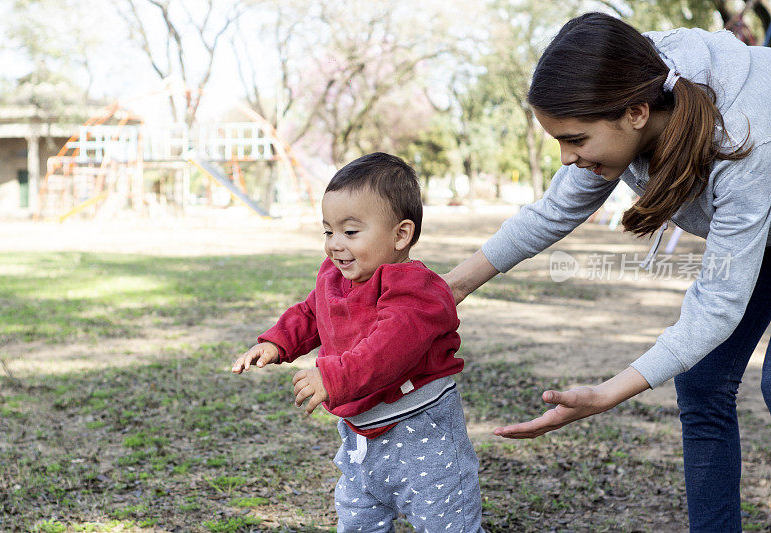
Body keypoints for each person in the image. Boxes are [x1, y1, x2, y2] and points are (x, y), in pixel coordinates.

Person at [443, 12, 771, 532]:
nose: (567, 157)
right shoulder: (637, 87)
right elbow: (551, 212)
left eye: (575, 139)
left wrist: (606, 394)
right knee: (703, 383)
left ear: (637, 113)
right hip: (760, 228)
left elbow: (717, 306)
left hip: (764, 198)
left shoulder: (748, 136)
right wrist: (447, 290)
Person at [233, 152, 485, 533]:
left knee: (447, 524)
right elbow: (313, 313)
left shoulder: (418, 291)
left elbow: (389, 349)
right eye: (328, 231)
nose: (335, 244)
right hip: (360, 436)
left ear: (401, 235)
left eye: (350, 232)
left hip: (422, 434)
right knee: (358, 518)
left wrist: (330, 377)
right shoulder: (335, 279)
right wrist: (277, 343)